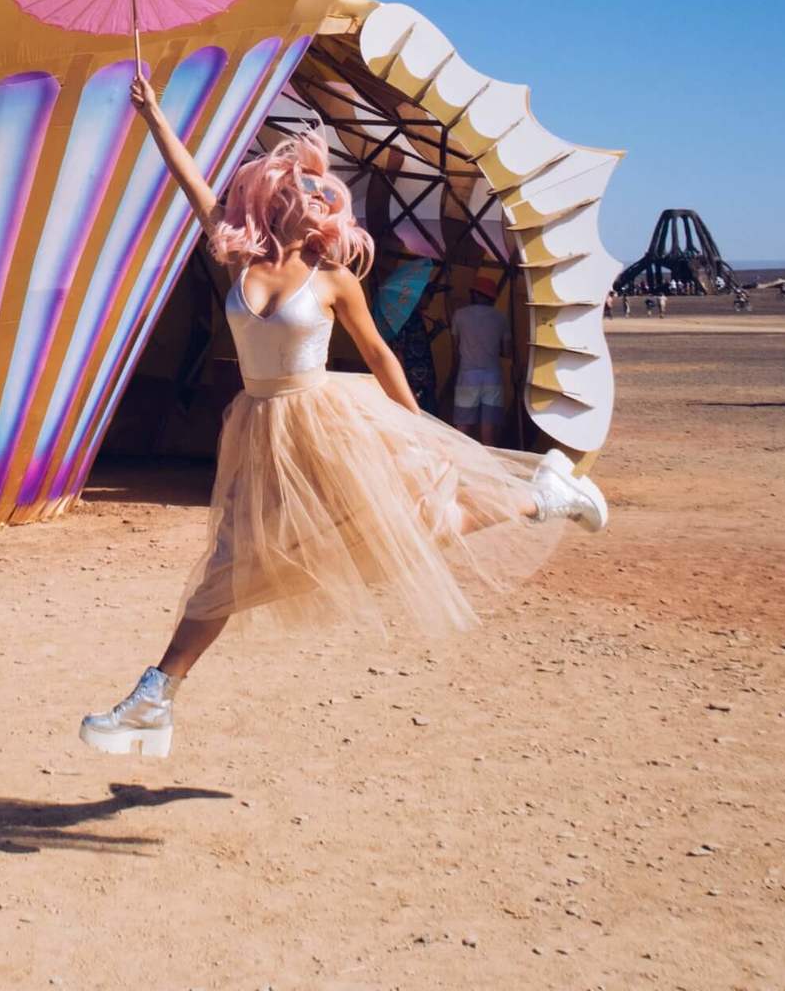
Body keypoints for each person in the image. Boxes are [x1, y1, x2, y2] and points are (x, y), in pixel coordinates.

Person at [79, 78, 608, 761]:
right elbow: (192, 184)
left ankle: (537, 496)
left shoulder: (334, 280)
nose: (315, 202)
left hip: (328, 419)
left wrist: (426, 433)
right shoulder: (238, 255)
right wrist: (153, 118)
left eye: (324, 198)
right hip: (260, 427)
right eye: (303, 192)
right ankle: (154, 698)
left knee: (400, 531)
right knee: (230, 564)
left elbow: (381, 356)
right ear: (276, 202)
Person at [451, 291, 510, 446]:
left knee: (462, 426)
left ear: (473, 295)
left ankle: (457, 459)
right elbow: (507, 351)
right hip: (492, 376)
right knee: (488, 429)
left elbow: (455, 348)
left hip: (467, 375)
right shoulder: (501, 317)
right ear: (493, 298)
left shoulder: (459, 315)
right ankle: (488, 463)